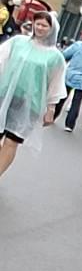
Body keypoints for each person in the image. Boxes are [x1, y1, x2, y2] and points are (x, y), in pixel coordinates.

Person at [0, 10, 66, 182]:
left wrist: (51, 108)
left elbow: (55, 83)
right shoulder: (18, 42)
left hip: (30, 104)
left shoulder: (55, 57)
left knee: (11, 141)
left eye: (45, 25)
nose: (40, 28)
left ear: (52, 29)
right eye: (38, 24)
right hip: (4, 95)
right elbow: (1, 60)